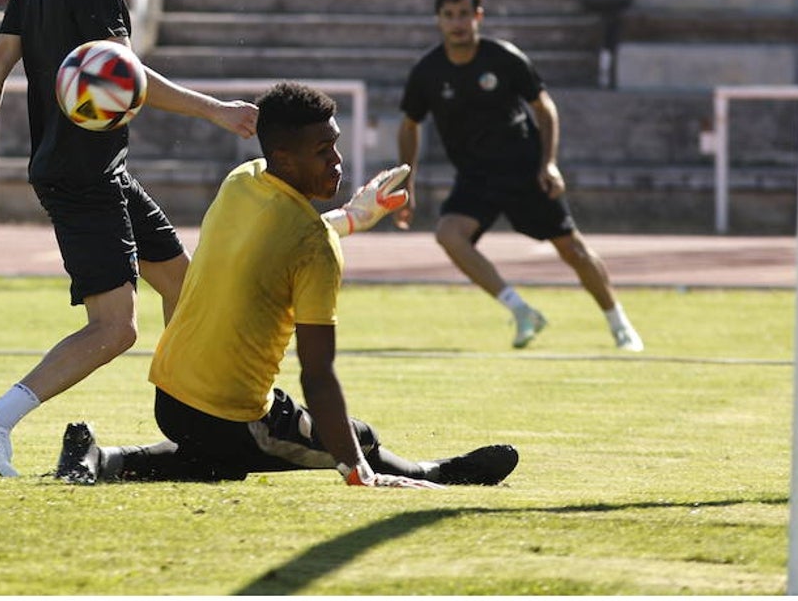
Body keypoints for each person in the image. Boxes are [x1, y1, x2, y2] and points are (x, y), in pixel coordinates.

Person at [0, 0, 259, 477]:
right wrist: (217, 111)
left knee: (184, 287)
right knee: (115, 329)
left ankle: (200, 423)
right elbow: (127, 77)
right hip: (82, 175)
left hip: (95, 169)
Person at [53, 82, 520, 488]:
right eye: (322, 152)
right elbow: (317, 377)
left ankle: (100, 457)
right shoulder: (315, 248)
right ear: (283, 156)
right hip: (228, 415)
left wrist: (353, 218)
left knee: (217, 464)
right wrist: (354, 466)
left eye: (335, 147)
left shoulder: (243, 181)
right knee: (357, 437)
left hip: (170, 396)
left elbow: (282, 241)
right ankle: (436, 473)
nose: (338, 163)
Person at [394, 0, 643, 352]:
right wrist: (407, 182)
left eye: (464, 14)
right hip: (475, 176)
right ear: (438, 20)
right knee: (448, 234)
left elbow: (545, 109)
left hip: (523, 169)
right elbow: (409, 125)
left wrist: (550, 164)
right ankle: (521, 310)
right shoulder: (427, 72)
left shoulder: (504, 58)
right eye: (449, 15)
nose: (457, 22)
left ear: (478, 16)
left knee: (572, 249)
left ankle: (619, 323)